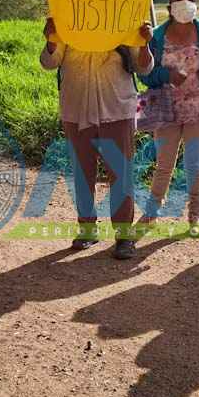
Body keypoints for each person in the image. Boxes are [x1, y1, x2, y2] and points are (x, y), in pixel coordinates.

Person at [39, 15, 154, 260]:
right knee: (82, 172)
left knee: (120, 174)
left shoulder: (125, 15)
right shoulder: (68, 15)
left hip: (117, 107)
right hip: (76, 105)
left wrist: (144, 43)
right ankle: (87, 229)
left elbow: (144, 67)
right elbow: (50, 62)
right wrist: (51, 39)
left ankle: (123, 237)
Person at [137, 0, 199, 236]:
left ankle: (195, 216)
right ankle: (151, 213)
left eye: (189, 0)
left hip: (198, 111)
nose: (184, 5)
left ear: (197, 5)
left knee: (194, 165)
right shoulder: (155, 37)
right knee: (164, 164)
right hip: (165, 112)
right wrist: (166, 74)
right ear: (169, 8)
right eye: (178, 1)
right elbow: (144, 75)